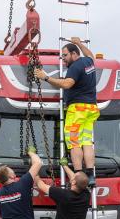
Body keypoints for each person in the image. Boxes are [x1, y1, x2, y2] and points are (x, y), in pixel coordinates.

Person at [34, 37, 100, 186]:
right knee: (87, 142)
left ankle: (78, 176)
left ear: (74, 54)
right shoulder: (88, 62)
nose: (63, 59)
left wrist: (45, 77)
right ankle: (90, 175)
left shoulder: (75, 67)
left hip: (77, 109)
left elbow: (67, 84)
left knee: (74, 143)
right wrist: (79, 43)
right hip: (91, 109)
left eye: (65, 55)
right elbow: (90, 54)